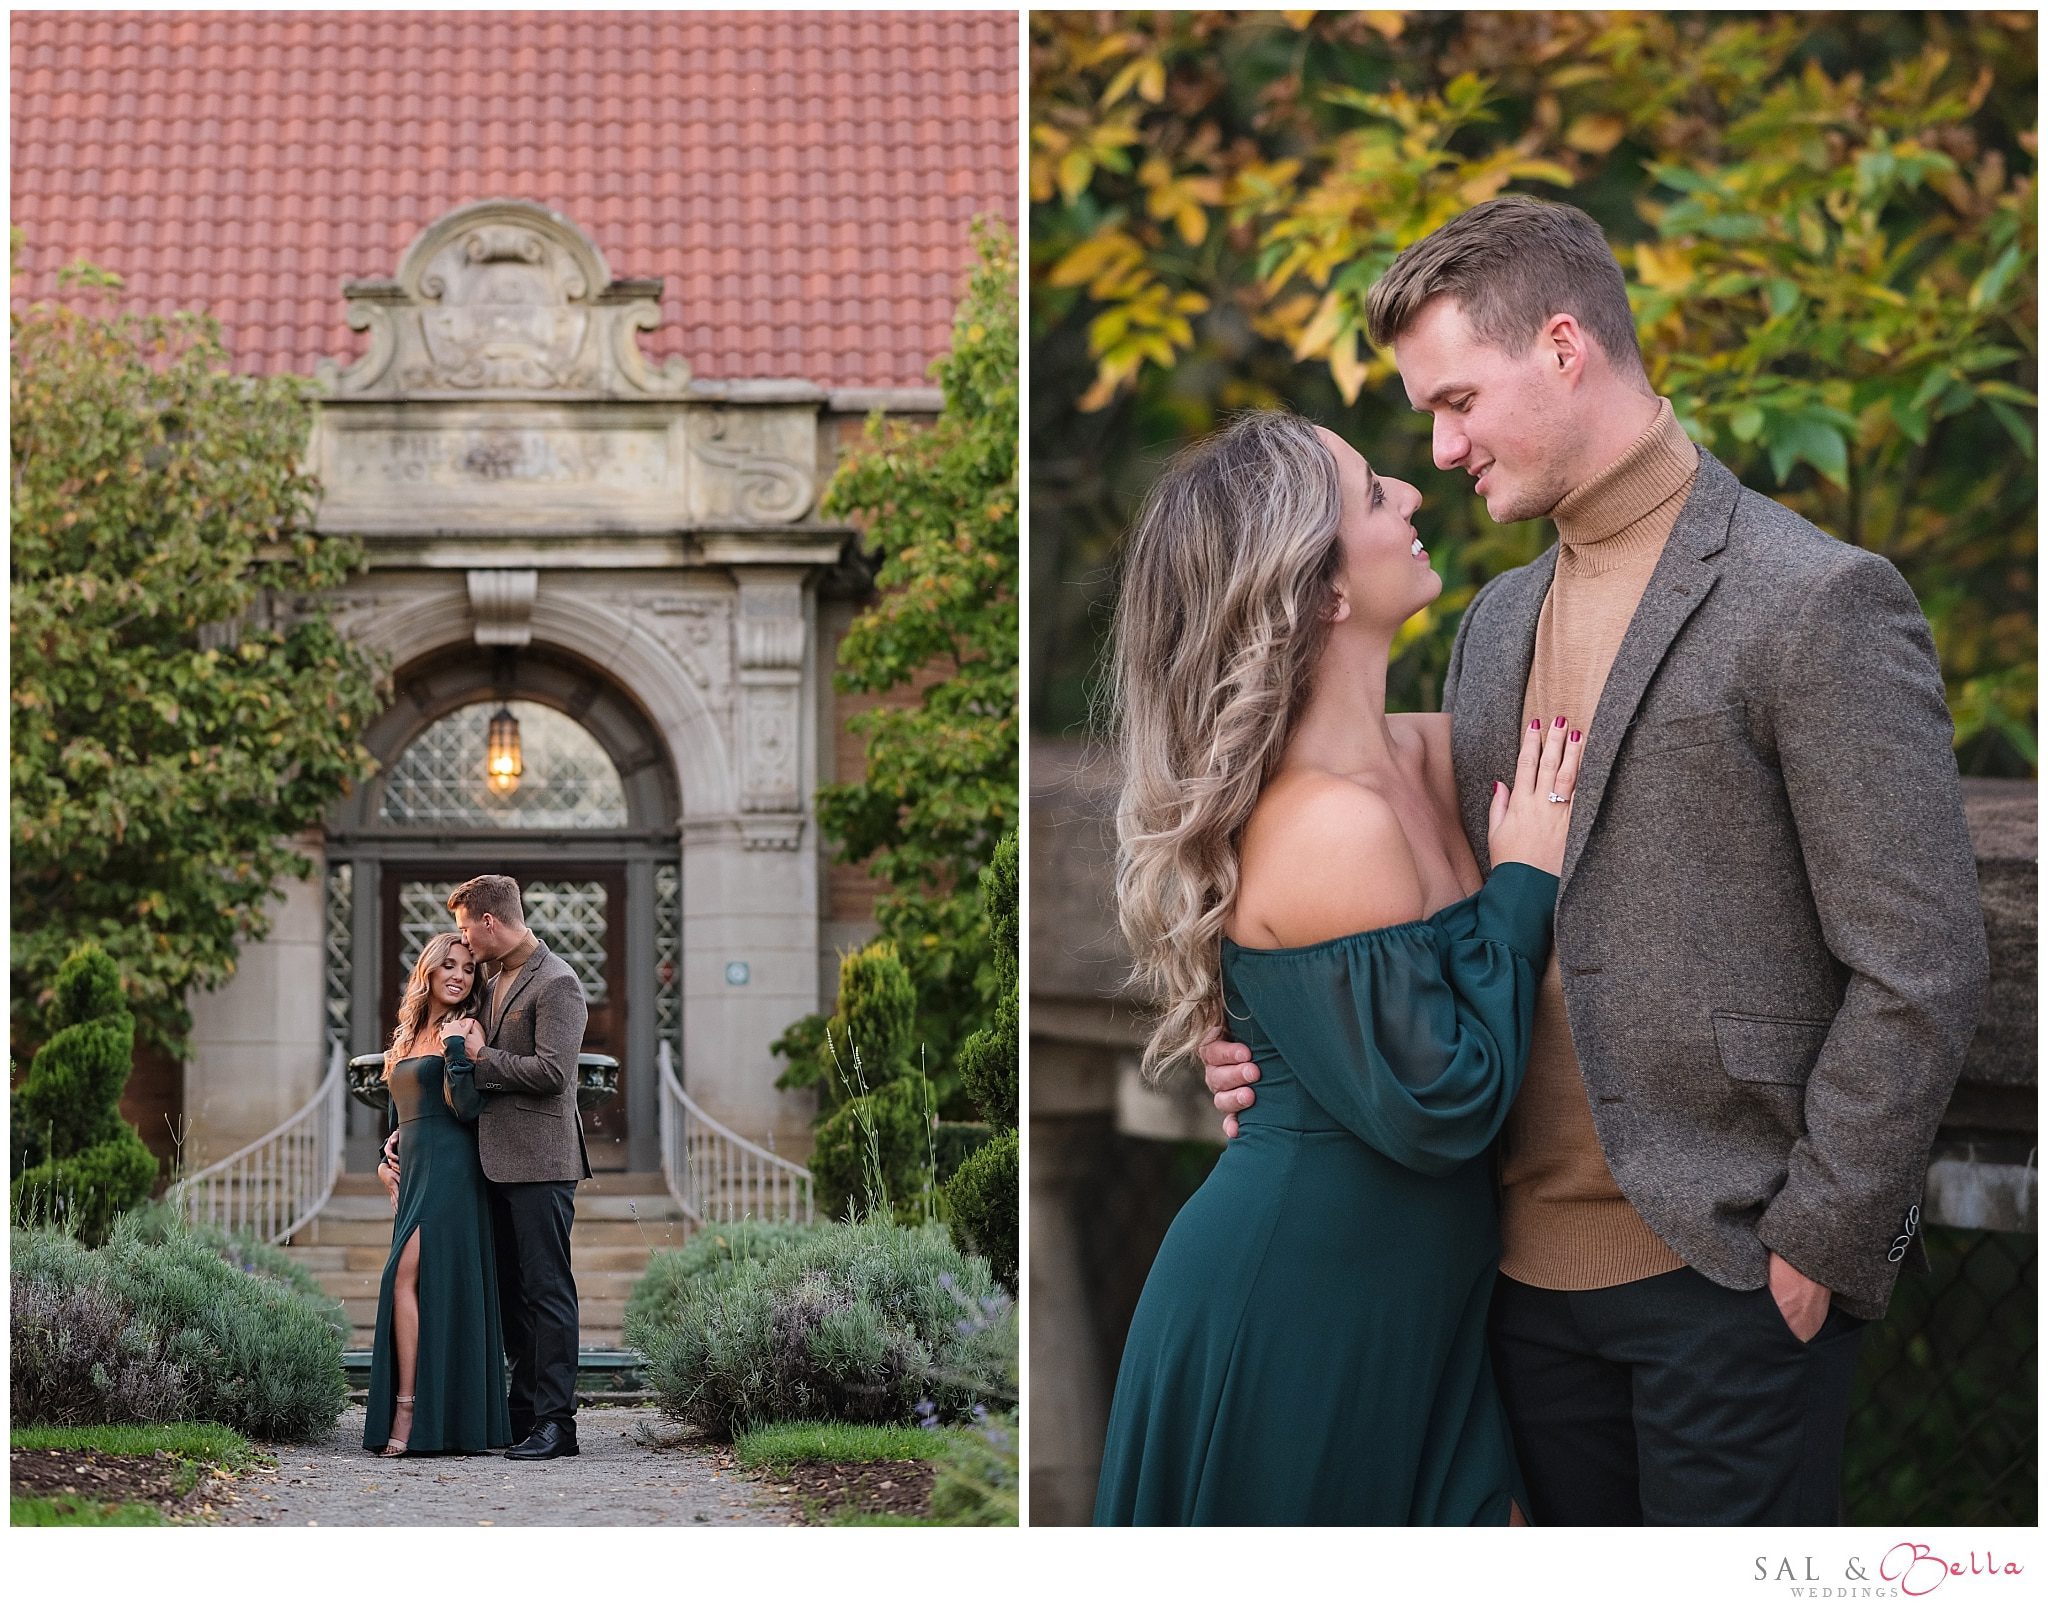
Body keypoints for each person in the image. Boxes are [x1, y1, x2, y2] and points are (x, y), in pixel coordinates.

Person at [1200, 196, 1988, 1525]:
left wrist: (1822, 1241)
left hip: (1733, 1283)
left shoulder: (1817, 598)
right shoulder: (1495, 622)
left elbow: (1920, 958)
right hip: (1506, 1295)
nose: (1439, 446)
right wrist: (1270, 1040)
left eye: (1457, 399)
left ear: (1564, 346)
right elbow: (1377, 888)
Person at [1091, 410, 1583, 1525]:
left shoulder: (1428, 750)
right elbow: (1443, 1106)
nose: (1411, 492)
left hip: (1420, 1300)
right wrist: (1520, 887)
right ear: (1316, 591)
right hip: (1300, 1314)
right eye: (1372, 493)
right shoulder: (1321, 825)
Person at [384, 873, 591, 1461]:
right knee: (512, 1297)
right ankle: (520, 1416)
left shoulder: (558, 984)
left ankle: (558, 1424)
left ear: (489, 923)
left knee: (548, 1292)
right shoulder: (496, 981)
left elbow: (554, 1073)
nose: (464, 944)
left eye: (465, 930)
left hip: (541, 1163)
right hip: (486, 1164)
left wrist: (480, 1055)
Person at [363, 933, 509, 1457]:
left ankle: (408, 1409)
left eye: (468, 969)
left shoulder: (468, 1028)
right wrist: (384, 1164)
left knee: (402, 1277)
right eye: (448, 965)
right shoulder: (405, 1036)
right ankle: (434, 1413)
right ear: (427, 970)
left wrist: (454, 1047)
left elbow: (468, 1107)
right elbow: (399, 1114)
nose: (459, 976)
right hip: (415, 1171)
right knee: (421, 1285)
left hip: (454, 1168)